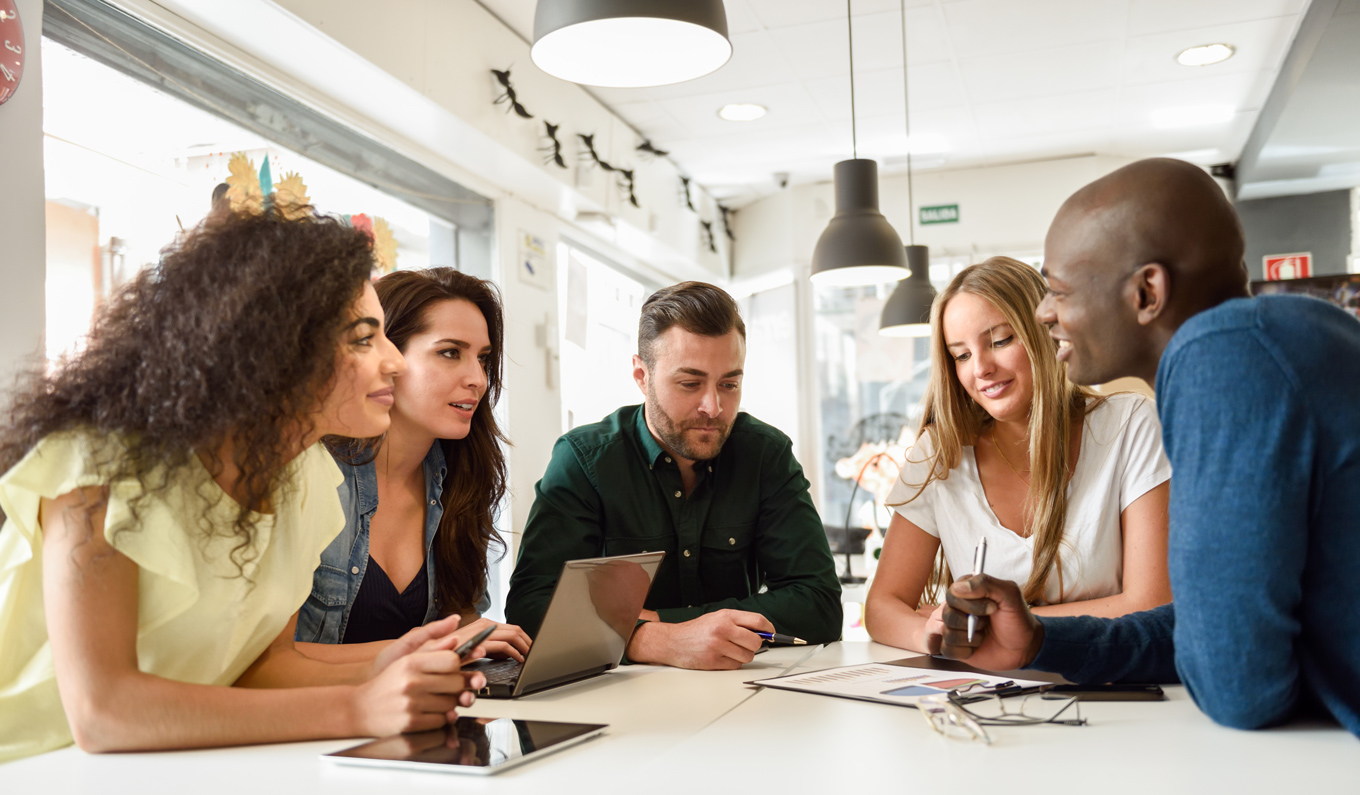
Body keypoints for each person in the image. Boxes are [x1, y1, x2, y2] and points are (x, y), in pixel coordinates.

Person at [0, 208, 488, 762]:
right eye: (362, 340)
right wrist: (359, 708)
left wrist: (389, 664)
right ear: (275, 350)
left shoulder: (307, 477)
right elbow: (103, 713)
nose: (395, 363)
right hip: (31, 765)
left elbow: (263, 667)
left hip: (167, 765)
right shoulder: (96, 466)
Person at [937, 158, 1360, 735]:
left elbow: (1238, 686)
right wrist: (1037, 638)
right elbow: (1206, 628)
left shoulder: (1223, 357)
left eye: (1058, 290)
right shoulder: (1295, 329)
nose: (1044, 313)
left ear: (1146, 291)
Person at [505, 281, 841, 670]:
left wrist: (661, 621)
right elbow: (531, 608)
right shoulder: (585, 460)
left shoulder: (765, 454)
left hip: (740, 697)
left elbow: (819, 604)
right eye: (690, 383)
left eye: (729, 384)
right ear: (641, 375)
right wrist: (654, 640)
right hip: (620, 708)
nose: (713, 407)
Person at [865, 257, 1172, 654]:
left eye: (1000, 340)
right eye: (961, 355)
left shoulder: (1131, 425)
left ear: (1043, 331)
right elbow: (882, 606)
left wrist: (1002, 624)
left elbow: (1152, 604)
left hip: (1108, 685)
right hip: (985, 694)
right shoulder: (939, 454)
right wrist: (926, 633)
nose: (981, 369)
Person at [294, 268, 530, 661]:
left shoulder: (460, 475)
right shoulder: (313, 473)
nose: (478, 379)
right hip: (313, 718)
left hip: (412, 712)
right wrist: (434, 649)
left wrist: (477, 637)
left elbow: (459, 618)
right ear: (385, 356)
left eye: (483, 359)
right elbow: (268, 663)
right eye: (450, 352)